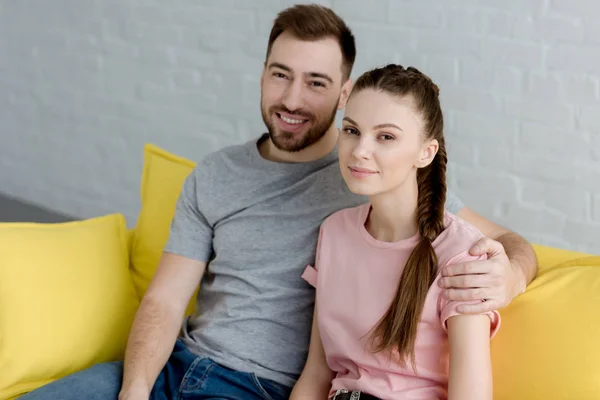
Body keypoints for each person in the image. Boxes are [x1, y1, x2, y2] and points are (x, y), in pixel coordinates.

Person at [21, 4, 536, 400]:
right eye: (280, 74)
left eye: (316, 82)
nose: (292, 100)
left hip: (255, 386)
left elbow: (500, 242)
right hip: (175, 364)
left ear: (343, 93)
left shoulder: (375, 177)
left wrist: (509, 276)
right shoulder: (221, 175)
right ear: (262, 72)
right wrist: (135, 390)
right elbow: (164, 300)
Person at [290, 64, 499, 400]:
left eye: (385, 137)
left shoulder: (461, 253)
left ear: (425, 152)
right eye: (352, 131)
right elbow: (316, 374)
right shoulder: (334, 232)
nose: (360, 150)